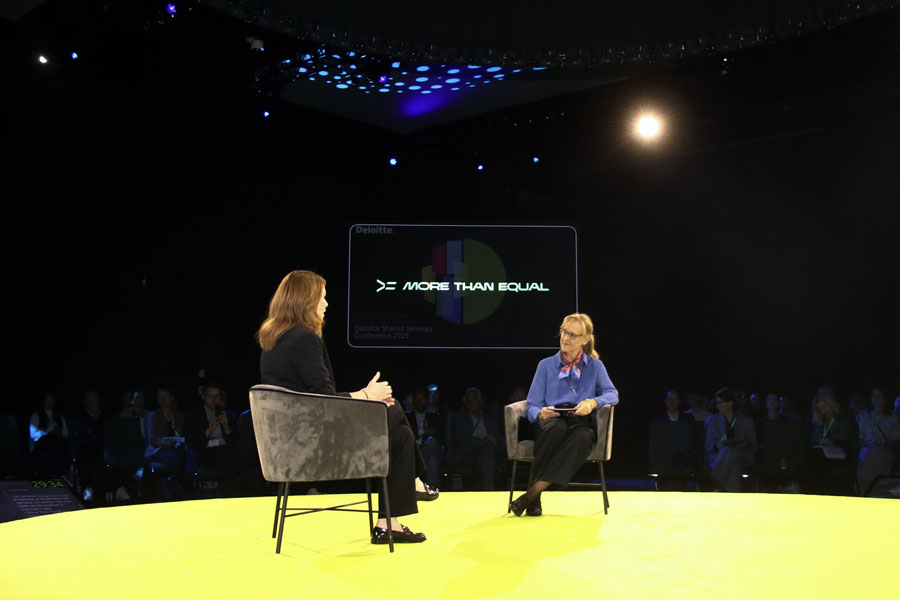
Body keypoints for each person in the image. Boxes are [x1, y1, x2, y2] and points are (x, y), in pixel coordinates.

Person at [258, 270, 425, 544]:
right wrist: (367, 394)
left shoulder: (274, 341)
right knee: (390, 408)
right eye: (322, 298)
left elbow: (311, 399)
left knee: (399, 433)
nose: (326, 304)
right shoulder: (304, 339)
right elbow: (325, 400)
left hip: (289, 444)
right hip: (314, 445)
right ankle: (412, 485)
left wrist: (368, 397)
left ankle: (390, 522)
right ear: (305, 300)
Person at [510, 313, 619, 517]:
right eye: (563, 332)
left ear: (585, 339)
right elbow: (532, 405)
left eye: (572, 335)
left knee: (583, 438)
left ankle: (532, 494)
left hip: (580, 422)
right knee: (556, 430)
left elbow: (613, 394)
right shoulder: (545, 365)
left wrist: (593, 402)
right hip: (551, 422)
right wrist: (540, 412)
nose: (565, 338)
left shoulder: (595, 366)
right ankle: (533, 497)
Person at [448, 387, 503, 491]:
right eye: (469, 401)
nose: (472, 403)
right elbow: (458, 440)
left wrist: (495, 442)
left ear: (480, 401)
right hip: (467, 454)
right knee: (488, 452)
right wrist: (483, 441)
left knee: (489, 451)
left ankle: (486, 490)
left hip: (487, 453)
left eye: (474, 400)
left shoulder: (489, 418)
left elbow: (498, 438)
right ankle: (488, 491)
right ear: (465, 403)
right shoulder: (459, 417)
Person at [704, 387, 757, 492]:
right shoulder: (713, 421)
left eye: (721, 402)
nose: (718, 405)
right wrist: (716, 446)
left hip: (743, 456)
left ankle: (714, 482)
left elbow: (753, 447)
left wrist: (745, 444)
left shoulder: (746, 421)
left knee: (730, 451)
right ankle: (719, 490)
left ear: (730, 403)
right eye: (716, 403)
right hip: (719, 458)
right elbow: (708, 446)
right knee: (733, 466)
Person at [856, 388, 899, 494]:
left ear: (885, 398)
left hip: (884, 452)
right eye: (873, 395)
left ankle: (874, 489)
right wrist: (867, 444)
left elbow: (896, 441)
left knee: (874, 454)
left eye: (879, 395)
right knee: (868, 453)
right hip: (866, 450)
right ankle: (864, 488)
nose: (875, 398)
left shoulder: (892, 418)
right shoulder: (863, 416)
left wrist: (884, 444)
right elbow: (859, 438)